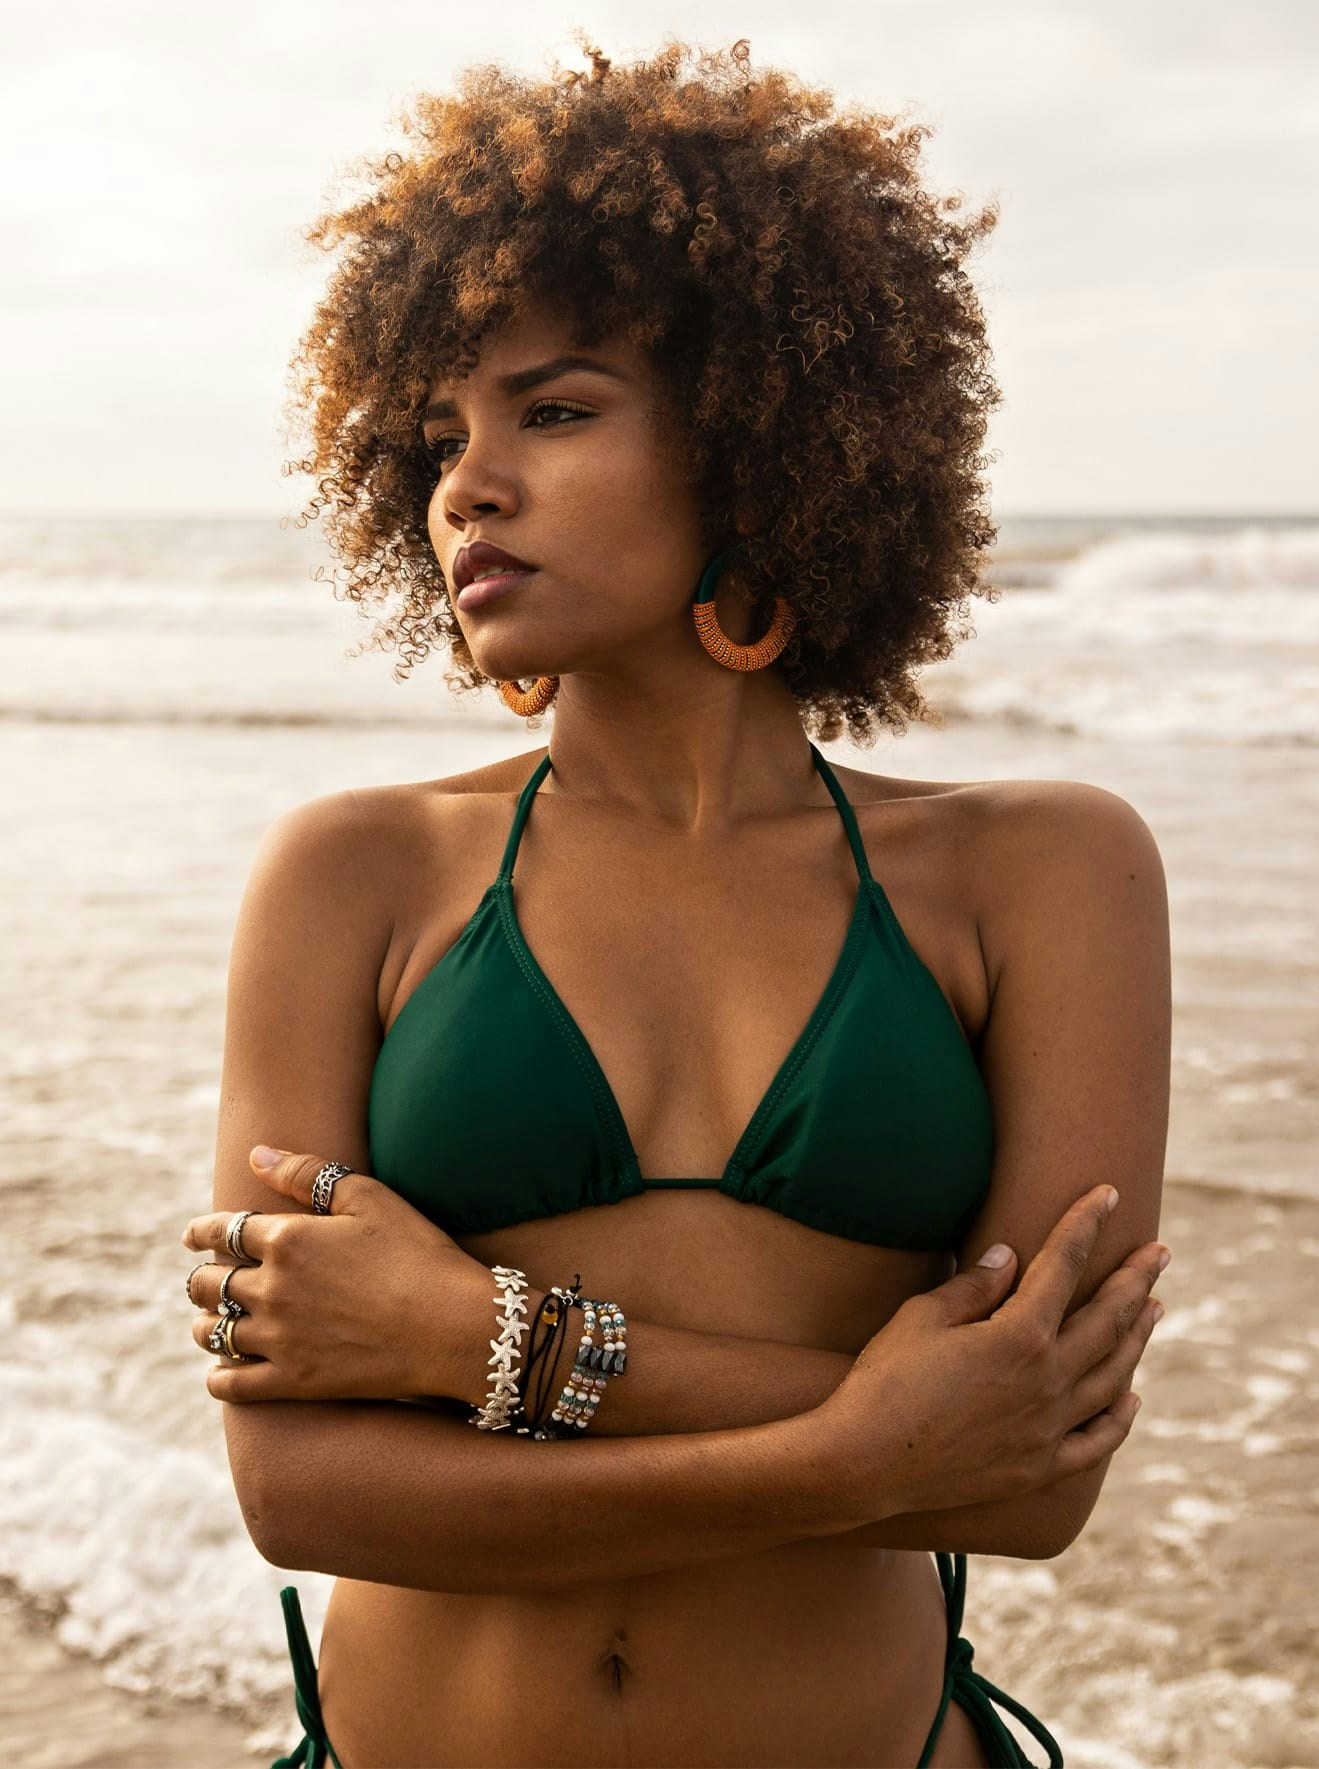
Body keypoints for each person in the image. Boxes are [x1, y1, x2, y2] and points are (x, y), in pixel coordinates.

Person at [180, 36, 1172, 1769]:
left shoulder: (1044, 870)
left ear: (760, 436)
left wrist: (462, 1335)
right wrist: (865, 1449)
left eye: (553, 410)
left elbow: (1035, 1481)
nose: (465, 486)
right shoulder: (354, 873)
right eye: (440, 437)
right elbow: (300, 1487)